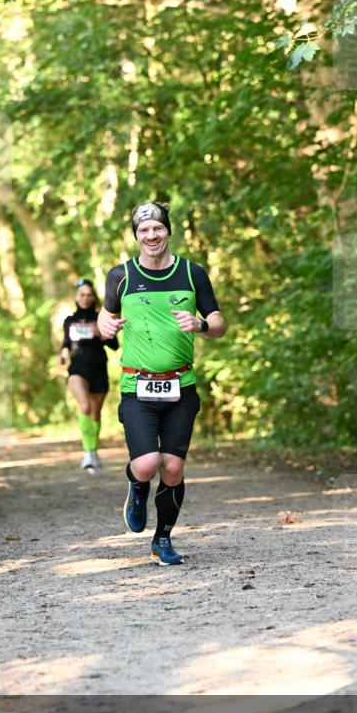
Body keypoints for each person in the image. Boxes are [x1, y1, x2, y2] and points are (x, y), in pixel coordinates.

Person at [97, 202, 227, 566]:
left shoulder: (192, 273)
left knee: (172, 467)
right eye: (143, 231)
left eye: (157, 229)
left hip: (181, 386)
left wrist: (200, 325)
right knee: (146, 464)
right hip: (136, 386)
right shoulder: (119, 275)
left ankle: (162, 540)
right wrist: (103, 327)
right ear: (136, 237)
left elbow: (218, 322)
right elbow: (104, 320)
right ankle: (137, 488)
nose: (151, 236)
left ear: (168, 232)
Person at [60, 278, 119, 473]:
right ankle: (87, 453)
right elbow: (66, 343)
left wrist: (101, 333)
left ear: (94, 297)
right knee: (84, 406)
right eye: (82, 295)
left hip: (98, 368)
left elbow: (114, 345)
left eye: (89, 295)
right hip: (77, 368)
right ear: (76, 297)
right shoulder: (69, 321)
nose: (85, 298)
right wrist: (63, 354)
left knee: (95, 413)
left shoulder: (101, 318)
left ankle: (93, 452)